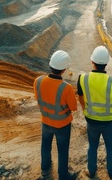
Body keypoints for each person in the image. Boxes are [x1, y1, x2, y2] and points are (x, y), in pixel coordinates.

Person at [78, 45, 112, 179]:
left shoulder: (83, 78)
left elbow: (80, 97)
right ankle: (111, 171)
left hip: (91, 120)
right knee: (110, 146)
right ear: (106, 64)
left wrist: (85, 109)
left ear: (92, 61)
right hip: (107, 122)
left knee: (92, 145)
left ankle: (91, 170)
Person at [34, 50, 78, 180]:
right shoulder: (66, 87)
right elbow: (74, 107)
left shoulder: (38, 81)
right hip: (62, 125)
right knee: (62, 150)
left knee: (45, 145)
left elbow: (38, 97)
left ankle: (45, 171)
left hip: (45, 121)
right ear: (64, 70)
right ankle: (63, 176)